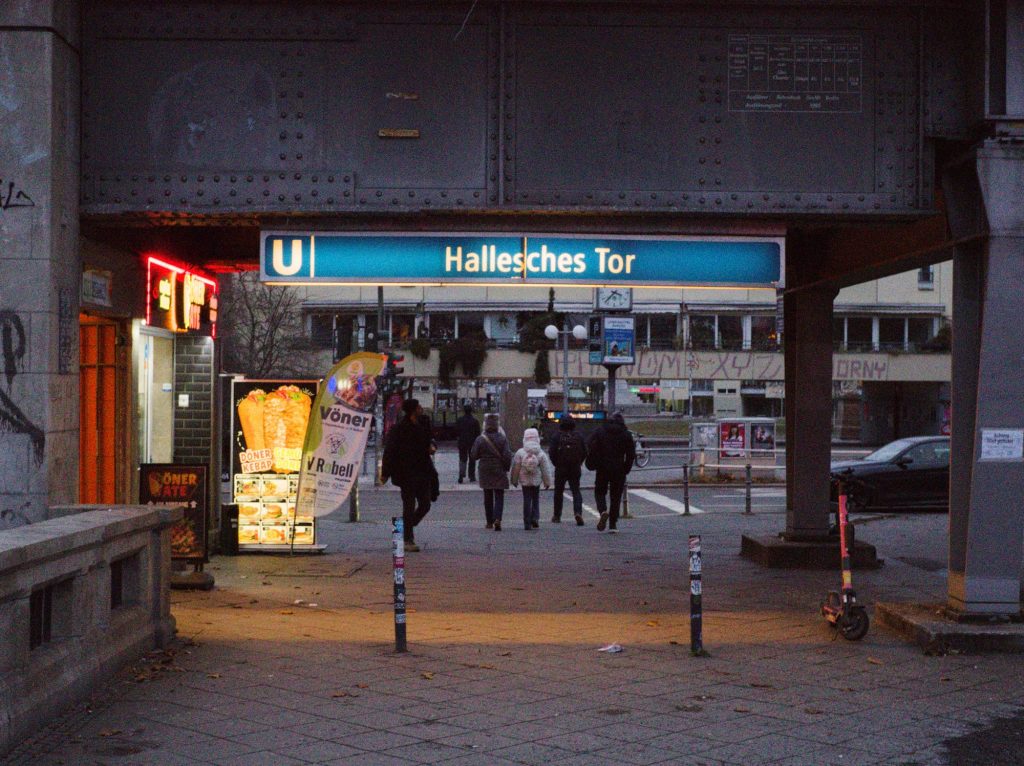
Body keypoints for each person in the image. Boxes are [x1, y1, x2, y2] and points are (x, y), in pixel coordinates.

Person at [381, 399, 434, 551]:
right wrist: (385, 473)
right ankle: (408, 539)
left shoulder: (423, 425)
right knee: (409, 505)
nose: (421, 408)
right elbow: (390, 451)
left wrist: (432, 446)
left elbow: (430, 441)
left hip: (423, 471)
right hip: (406, 473)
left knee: (425, 504)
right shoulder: (399, 429)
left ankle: (404, 526)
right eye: (418, 406)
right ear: (412, 410)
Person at [586, 411, 636, 534]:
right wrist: (626, 469)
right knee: (616, 496)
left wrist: (594, 459)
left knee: (600, 492)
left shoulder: (601, 431)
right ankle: (613, 524)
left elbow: (589, 443)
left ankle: (603, 511)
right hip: (619, 468)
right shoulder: (626, 434)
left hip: (602, 467)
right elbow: (631, 454)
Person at [470, 412, 512, 531]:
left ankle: (489, 521)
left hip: (485, 468)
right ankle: (498, 518)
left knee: (487, 495)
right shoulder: (502, 438)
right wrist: (506, 468)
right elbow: (507, 455)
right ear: (497, 425)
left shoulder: (480, 439)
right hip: (499, 468)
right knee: (499, 494)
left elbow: (473, 455)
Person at [511, 427, 553, 530]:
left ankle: (527, 521)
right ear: (537, 439)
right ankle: (535, 518)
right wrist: (547, 482)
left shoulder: (520, 452)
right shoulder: (541, 453)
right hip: (536, 480)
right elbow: (545, 469)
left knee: (527, 499)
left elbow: (516, 467)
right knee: (535, 499)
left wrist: (514, 480)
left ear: (524, 439)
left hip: (525, 481)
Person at [549, 415, 587, 525]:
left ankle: (557, 515)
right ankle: (578, 512)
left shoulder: (557, 436)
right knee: (576, 490)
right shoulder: (578, 436)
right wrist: (579, 462)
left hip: (561, 467)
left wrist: (557, 463)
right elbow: (585, 451)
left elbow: (552, 452)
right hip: (575, 467)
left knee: (558, 492)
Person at [456, 404, 481, 484]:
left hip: (462, 442)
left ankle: (461, 475)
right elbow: (478, 433)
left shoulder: (460, 420)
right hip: (472, 442)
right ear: (471, 411)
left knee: (462, 459)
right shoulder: (475, 421)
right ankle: (472, 476)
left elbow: (456, 431)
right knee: (472, 459)